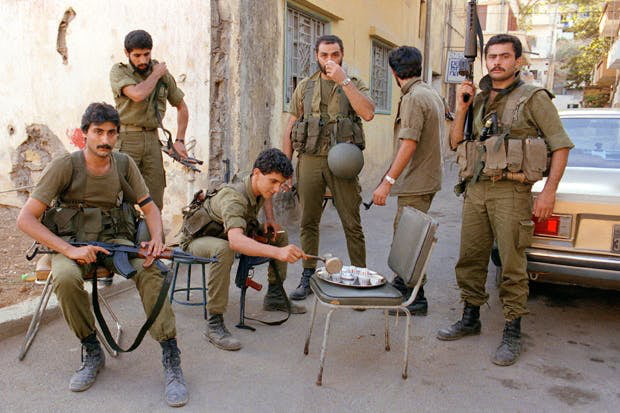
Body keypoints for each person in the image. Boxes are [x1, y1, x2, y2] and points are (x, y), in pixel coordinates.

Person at [17, 103, 188, 407]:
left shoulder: (123, 164)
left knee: (152, 270)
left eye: (111, 132)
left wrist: (157, 240)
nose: (105, 139)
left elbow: (149, 207)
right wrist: (70, 249)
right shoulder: (65, 166)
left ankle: (170, 355)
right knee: (66, 277)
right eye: (98, 132)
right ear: (85, 134)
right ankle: (91, 349)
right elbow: (25, 219)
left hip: (116, 242)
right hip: (72, 244)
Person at [437, 34, 573, 366]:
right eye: (492, 56)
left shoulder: (534, 98)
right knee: (470, 257)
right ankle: (471, 316)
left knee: (511, 263)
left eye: (504, 56)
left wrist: (549, 192)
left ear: (517, 61)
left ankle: (513, 329)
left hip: (512, 191)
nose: (497, 62)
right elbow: (456, 142)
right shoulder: (478, 97)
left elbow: (560, 145)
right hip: (477, 189)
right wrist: (462, 106)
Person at [181, 148, 307, 351]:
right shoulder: (234, 198)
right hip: (200, 238)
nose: (276, 189)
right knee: (224, 249)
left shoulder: (256, 179)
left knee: (279, 235)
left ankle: (275, 296)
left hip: (227, 230)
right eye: (273, 182)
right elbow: (236, 242)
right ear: (257, 173)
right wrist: (277, 253)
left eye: (280, 183)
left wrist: (271, 221)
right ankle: (214, 324)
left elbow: (265, 196)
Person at [282, 34, 375, 300]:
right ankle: (308, 273)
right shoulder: (305, 86)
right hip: (310, 158)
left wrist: (343, 80)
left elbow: (368, 113)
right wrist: (285, 167)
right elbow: (290, 126)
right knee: (308, 221)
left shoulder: (353, 83)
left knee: (351, 221)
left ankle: (360, 277)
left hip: (342, 160)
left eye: (335, 54)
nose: (330, 60)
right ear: (316, 56)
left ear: (342, 54)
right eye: (324, 55)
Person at [371, 46, 444, 316]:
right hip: (425, 178)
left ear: (393, 72)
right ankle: (404, 285)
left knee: (409, 239)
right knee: (406, 234)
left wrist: (387, 181)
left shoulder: (414, 97)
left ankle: (415, 297)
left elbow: (409, 143)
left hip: (417, 180)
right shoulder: (428, 92)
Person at [110, 29, 189, 210]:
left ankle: (155, 237)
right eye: (137, 55)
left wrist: (179, 140)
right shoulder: (119, 72)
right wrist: (155, 75)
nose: (143, 60)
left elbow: (182, 107)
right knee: (120, 197)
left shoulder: (163, 76)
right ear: (127, 53)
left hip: (152, 140)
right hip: (126, 139)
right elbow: (137, 94)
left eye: (146, 54)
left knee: (155, 197)